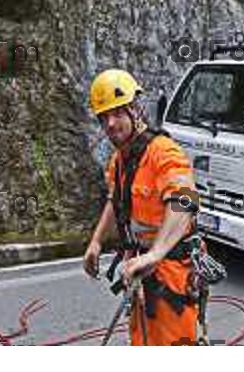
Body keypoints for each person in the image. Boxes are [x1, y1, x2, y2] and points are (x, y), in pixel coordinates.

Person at [83, 69, 200, 345]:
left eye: (117, 113)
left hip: (170, 273)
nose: (110, 124)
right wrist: (96, 241)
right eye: (103, 118)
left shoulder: (164, 152)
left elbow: (185, 202)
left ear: (135, 110)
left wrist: (155, 254)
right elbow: (116, 201)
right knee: (142, 340)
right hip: (138, 267)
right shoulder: (120, 160)